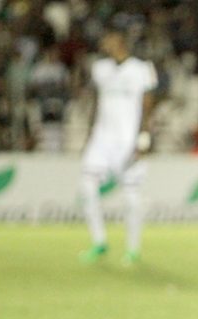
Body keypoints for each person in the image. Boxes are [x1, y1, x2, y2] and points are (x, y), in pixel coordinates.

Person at [79, 28, 157, 265]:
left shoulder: (141, 69)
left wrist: (144, 138)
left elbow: (148, 106)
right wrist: (89, 133)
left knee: (131, 197)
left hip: (128, 141)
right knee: (87, 187)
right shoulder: (100, 68)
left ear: (120, 40)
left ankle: (133, 249)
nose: (104, 42)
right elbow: (96, 101)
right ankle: (99, 241)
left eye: (108, 38)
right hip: (101, 140)